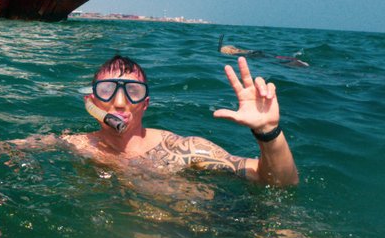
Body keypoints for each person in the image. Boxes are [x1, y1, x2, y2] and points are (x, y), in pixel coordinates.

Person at [68, 53, 299, 187]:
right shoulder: (74, 145)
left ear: (145, 103)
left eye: (133, 91)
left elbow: (277, 183)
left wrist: (268, 132)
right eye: (107, 90)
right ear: (91, 101)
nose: (119, 102)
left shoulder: (181, 150)